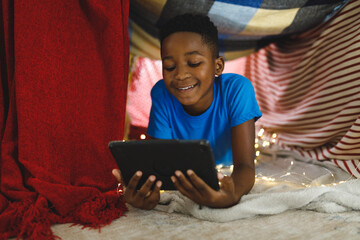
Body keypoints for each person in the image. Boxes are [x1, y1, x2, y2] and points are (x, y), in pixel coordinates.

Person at [112, 13, 262, 209]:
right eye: (170, 66)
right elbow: (157, 164)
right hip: (186, 171)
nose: (180, 75)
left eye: (194, 63)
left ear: (218, 66)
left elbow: (245, 167)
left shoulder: (237, 89)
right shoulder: (162, 93)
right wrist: (147, 194)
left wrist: (232, 194)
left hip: (227, 166)